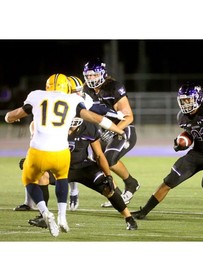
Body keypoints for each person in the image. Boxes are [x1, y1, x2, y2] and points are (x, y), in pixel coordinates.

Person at [5, 73, 125, 237]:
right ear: (67, 87)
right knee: (62, 178)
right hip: (61, 151)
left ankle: (45, 212)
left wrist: (9, 117)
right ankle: (62, 216)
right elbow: (95, 117)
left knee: (28, 178)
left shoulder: (36, 95)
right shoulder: (74, 100)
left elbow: (14, 114)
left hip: (39, 150)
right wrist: (118, 129)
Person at [131, 82, 203, 219]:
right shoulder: (181, 117)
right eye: (183, 100)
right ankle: (143, 211)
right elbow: (192, 135)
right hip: (196, 154)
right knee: (169, 181)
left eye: (188, 99)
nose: (186, 103)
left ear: (198, 98)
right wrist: (180, 144)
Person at [27, 117, 138, 230]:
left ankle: (129, 218)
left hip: (83, 167)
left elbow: (99, 155)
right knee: (42, 176)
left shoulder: (89, 127)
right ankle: (43, 216)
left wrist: (108, 175)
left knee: (107, 188)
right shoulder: (54, 127)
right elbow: (40, 145)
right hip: (61, 167)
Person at [82, 58, 140, 208]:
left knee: (108, 159)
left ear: (102, 74)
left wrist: (115, 131)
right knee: (97, 161)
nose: (91, 79)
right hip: (103, 131)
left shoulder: (114, 87)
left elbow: (128, 116)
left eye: (94, 75)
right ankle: (116, 194)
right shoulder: (86, 90)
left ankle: (131, 183)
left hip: (122, 129)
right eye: (88, 76)